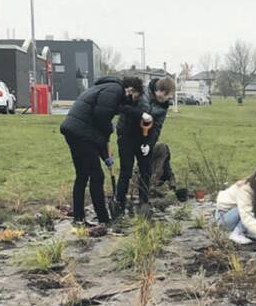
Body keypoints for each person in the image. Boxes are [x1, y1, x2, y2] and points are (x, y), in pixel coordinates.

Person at [60, 75, 144, 226]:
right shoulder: (115, 90)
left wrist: (105, 156)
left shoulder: (106, 88)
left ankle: (79, 219)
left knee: (82, 175)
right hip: (81, 133)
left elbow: (97, 127)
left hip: (73, 130)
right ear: (130, 90)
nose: (133, 100)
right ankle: (104, 219)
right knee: (97, 176)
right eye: (135, 96)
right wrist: (109, 130)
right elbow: (101, 117)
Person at [116, 76, 176, 217]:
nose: (167, 99)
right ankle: (119, 203)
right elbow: (125, 111)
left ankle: (144, 203)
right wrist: (141, 117)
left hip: (145, 139)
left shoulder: (163, 106)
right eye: (166, 96)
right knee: (126, 171)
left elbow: (157, 128)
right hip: (127, 136)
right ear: (159, 90)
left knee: (146, 170)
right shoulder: (141, 93)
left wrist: (149, 144)